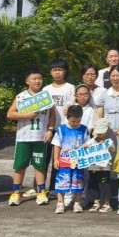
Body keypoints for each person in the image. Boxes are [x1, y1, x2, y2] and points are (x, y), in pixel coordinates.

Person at [6, 68, 55, 206]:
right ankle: (16, 192)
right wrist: (26, 115)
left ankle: (41, 191)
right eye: (34, 79)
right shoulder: (21, 97)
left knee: (40, 166)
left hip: (40, 137)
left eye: (40, 78)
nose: (37, 81)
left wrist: (50, 129)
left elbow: (52, 114)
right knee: (20, 166)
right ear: (27, 81)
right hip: (24, 138)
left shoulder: (46, 96)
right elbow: (10, 114)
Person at [43, 58, 75, 194]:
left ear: (65, 71)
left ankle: (55, 187)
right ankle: (39, 187)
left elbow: (72, 107)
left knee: (59, 159)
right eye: (54, 70)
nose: (57, 73)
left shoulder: (70, 88)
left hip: (63, 129)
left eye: (60, 70)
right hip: (48, 129)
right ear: (50, 72)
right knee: (44, 159)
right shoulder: (46, 89)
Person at [52, 104, 89, 214]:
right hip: (64, 162)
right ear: (67, 117)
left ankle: (77, 203)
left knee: (78, 183)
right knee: (61, 183)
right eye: (73, 121)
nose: (75, 123)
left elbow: (88, 144)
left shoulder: (84, 129)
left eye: (78, 121)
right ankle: (60, 203)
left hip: (78, 163)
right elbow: (57, 145)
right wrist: (56, 159)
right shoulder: (61, 130)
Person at [84, 118, 116, 214]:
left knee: (104, 184)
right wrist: (84, 147)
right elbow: (85, 145)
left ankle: (106, 203)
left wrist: (107, 146)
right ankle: (96, 201)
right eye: (98, 132)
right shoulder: (93, 140)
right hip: (93, 166)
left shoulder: (109, 141)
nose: (100, 134)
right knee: (93, 183)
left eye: (102, 132)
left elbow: (112, 148)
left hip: (104, 167)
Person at [96, 65, 119, 134]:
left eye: (118, 76)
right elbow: (99, 116)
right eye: (113, 76)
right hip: (107, 132)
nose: (115, 78)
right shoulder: (104, 94)